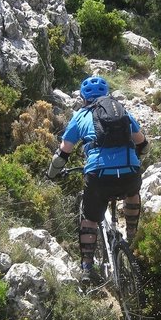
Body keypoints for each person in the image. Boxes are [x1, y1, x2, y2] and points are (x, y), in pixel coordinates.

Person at [47, 76, 148, 284]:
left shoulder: (80, 116)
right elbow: (143, 144)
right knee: (132, 193)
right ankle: (132, 238)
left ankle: (87, 267)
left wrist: (50, 175)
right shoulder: (122, 112)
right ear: (106, 95)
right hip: (129, 171)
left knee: (90, 217)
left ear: (83, 98)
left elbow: (63, 152)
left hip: (99, 175)